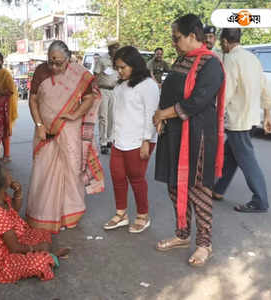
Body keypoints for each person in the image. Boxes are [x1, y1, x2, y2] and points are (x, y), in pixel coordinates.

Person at [152, 14, 225, 267]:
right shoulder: (183, 59)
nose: (173, 42)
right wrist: (160, 116)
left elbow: (196, 101)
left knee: (198, 189)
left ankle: (204, 244)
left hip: (197, 137)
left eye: (177, 38)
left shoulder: (211, 64)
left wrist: (164, 113)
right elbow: (170, 90)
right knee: (174, 186)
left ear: (193, 36)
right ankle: (182, 234)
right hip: (173, 134)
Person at [26, 40, 104, 233]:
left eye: (59, 63)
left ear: (68, 59)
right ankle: (42, 216)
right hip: (45, 131)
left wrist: (75, 114)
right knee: (43, 172)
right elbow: (33, 100)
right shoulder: (40, 72)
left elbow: (90, 98)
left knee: (71, 171)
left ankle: (70, 215)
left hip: (70, 131)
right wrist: (39, 125)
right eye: (50, 62)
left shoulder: (79, 74)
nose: (53, 67)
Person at [0, 159, 70, 283]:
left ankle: (44, 254)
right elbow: (14, 248)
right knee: (39, 262)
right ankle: (49, 258)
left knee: (42, 233)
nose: (10, 173)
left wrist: (18, 193)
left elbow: (14, 209)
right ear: (4, 183)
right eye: (7, 172)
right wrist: (36, 247)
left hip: (6, 242)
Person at [213, 28, 271, 213]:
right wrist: (267, 115)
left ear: (224, 41)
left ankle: (260, 201)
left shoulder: (231, 59)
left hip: (238, 120)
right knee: (230, 155)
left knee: (247, 161)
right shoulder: (252, 58)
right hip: (252, 118)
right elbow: (265, 87)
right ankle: (218, 189)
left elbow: (227, 91)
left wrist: (216, 114)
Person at [103, 46, 159, 233]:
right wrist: (112, 137)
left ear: (134, 65)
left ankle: (143, 216)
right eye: (117, 67)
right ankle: (121, 214)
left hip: (139, 140)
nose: (119, 71)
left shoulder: (148, 85)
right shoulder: (121, 84)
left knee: (136, 178)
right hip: (119, 139)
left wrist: (146, 141)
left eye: (123, 67)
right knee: (117, 176)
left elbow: (151, 114)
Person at [94, 41, 120, 154]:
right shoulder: (102, 60)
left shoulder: (119, 61)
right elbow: (96, 74)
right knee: (103, 117)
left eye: (118, 47)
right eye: (114, 48)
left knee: (113, 117)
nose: (116, 50)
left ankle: (110, 139)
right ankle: (103, 142)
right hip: (103, 90)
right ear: (110, 49)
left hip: (114, 90)